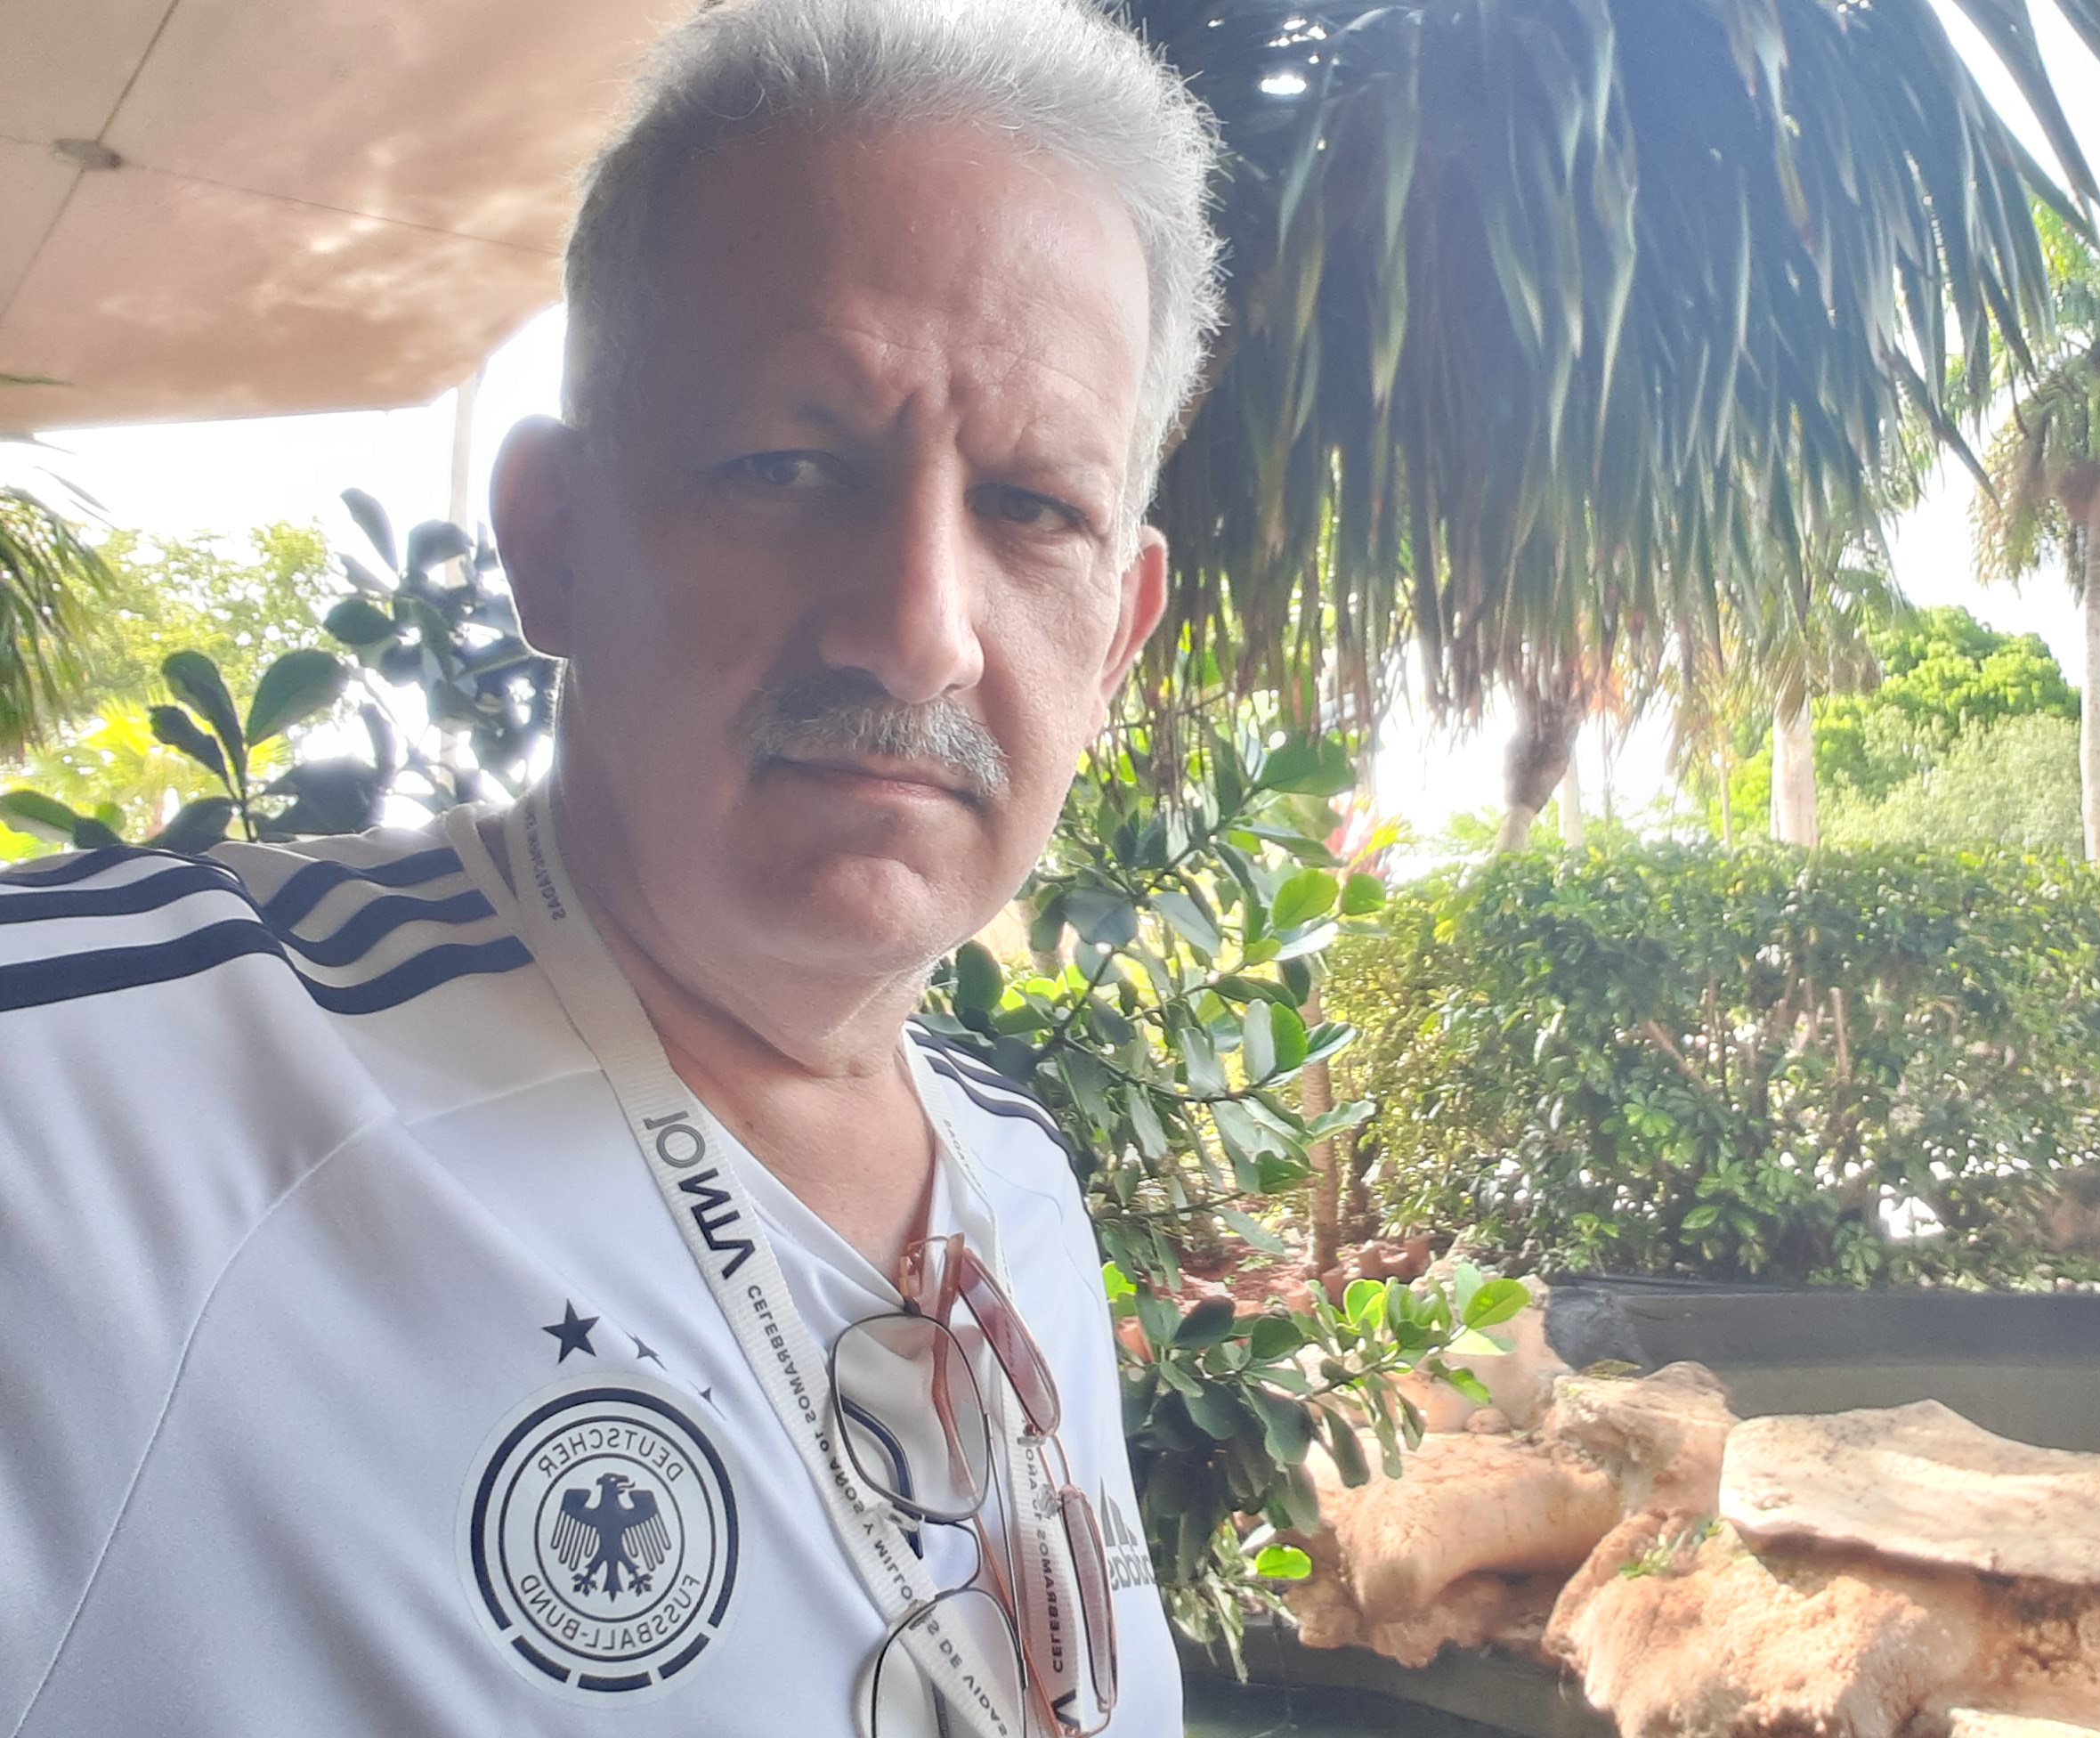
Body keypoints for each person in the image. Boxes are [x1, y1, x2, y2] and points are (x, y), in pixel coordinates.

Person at [0, 3, 1221, 1733]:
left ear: (1115, 638)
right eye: (788, 466)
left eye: (1033, 508)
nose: (918, 631)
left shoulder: (1015, 1177)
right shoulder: (118, 1113)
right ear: (554, 539)